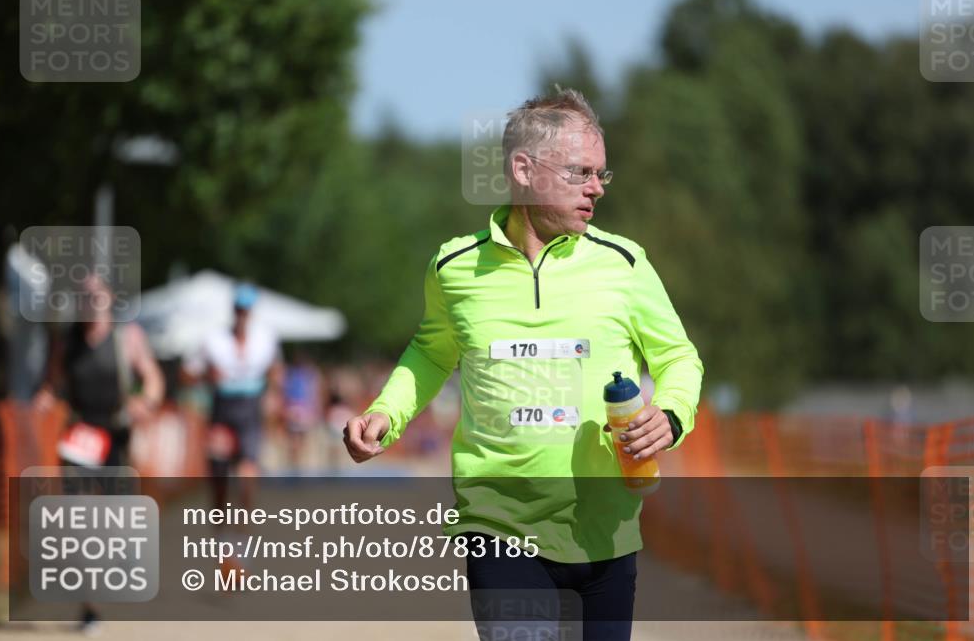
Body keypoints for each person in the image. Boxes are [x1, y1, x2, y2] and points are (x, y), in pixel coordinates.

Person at [344, 88, 704, 640]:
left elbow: (678, 356)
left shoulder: (624, 264)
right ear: (523, 170)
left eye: (602, 174)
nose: (596, 188)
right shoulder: (454, 267)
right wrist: (385, 414)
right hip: (498, 523)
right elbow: (433, 350)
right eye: (580, 172)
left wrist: (672, 415)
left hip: (605, 530)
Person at [33, 273, 164, 633]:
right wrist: (44, 398)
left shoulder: (127, 337)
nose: (89, 302)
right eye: (83, 297)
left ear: (109, 299)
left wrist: (146, 401)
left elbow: (153, 379)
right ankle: (90, 608)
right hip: (79, 438)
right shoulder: (68, 341)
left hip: (115, 437)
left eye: (96, 296)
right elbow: (53, 383)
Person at [182, 283, 283, 512]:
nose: (242, 315)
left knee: (248, 470)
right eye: (239, 309)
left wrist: (274, 394)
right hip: (223, 406)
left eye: (246, 310)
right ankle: (220, 519)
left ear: (252, 311)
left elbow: (276, 370)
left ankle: (244, 522)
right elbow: (186, 373)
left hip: (251, 406)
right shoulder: (213, 339)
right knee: (219, 470)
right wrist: (207, 375)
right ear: (233, 310)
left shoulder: (265, 338)